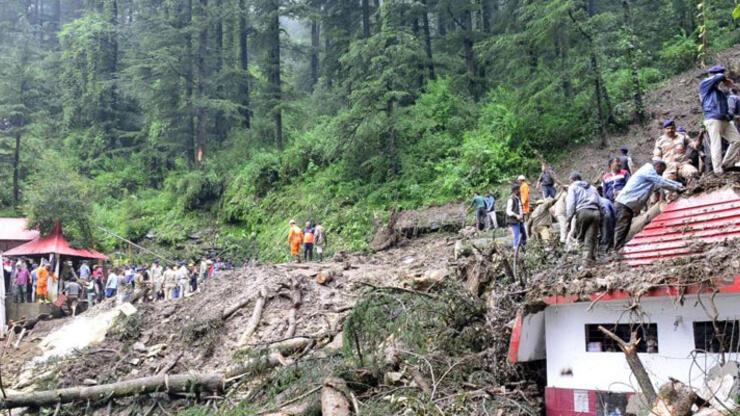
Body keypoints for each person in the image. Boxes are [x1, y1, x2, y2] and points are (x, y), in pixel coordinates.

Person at [614, 159, 685, 250]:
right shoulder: (647, 171)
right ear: (658, 166)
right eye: (661, 171)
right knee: (622, 227)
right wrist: (678, 188)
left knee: (625, 227)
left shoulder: (650, 175)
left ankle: (619, 248)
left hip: (628, 205)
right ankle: (617, 249)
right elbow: (661, 181)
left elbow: (662, 181)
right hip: (624, 204)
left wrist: (679, 185)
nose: (661, 174)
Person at [699, 65, 740, 174]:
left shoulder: (720, 92)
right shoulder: (704, 84)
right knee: (716, 144)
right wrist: (725, 80)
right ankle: (717, 171)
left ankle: (726, 165)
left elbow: (726, 109)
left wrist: (731, 116)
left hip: (723, 119)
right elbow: (719, 77)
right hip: (712, 118)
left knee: (737, 140)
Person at [565, 172, 602, 266]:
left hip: (583, 212)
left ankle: (582, 261)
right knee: (590, 238)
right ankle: (588, 261)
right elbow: (600, 202)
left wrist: (569, 218)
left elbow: (571, 203)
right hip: (595, 212)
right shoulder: (592, 187)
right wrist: (602, 214)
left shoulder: (573, 187)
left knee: (581, 238)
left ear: (572, 180)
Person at [506, 183, 527, 250]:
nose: (520, 191)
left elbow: (519, 208)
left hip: (520, 220)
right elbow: (508, 211)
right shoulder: (511, 199)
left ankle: (524, 248)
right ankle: (516, 249)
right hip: (514, 221)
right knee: (517, 235)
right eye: (519, 190)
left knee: (524, 235)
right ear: (515, 191)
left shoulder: (518, 199)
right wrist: (516, 215)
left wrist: (523, 213)